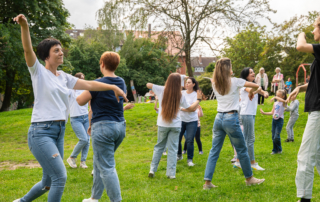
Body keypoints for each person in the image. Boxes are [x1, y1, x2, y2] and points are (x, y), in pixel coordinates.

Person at [13, 14, 127, 202]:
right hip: (40, 132)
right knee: (60, 177)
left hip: (58, 131)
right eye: (56, 50)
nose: (61, 52)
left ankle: (22, 201)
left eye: (61, 50)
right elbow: (27, 50)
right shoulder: (38, 72)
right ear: (46, 56)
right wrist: (24, 26)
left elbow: (90, 85)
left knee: (48, 181)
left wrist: (112, 86)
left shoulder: (64, 77)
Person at [203, 58, 265, 190]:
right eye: (231, 67)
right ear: (227, 69)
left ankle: (207, 183)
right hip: (231, 118)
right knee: (242, 150)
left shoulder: (215, 83)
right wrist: (255, 89)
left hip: (218, 118)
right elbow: (254, 85)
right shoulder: (236, 81)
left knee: (214, 151)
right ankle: (250, 179)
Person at [77, 51, 128, 202]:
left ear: (102, 64)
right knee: (99, 162)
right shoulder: (121, 82)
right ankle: (94, 198)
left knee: (106, 167)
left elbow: (80, 100)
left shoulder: (98, 83)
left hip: (104, 128)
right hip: (119, 127)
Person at [287, 15, 320, 202]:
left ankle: (304, 198)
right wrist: (300, 87)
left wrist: (300, 33)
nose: (312, 31)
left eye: (314, 28)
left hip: (319, 111)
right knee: (318, 155)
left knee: (306, 155)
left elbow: (300, 46)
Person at [147, 73, 202, 179]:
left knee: (159, 147)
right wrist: (198, 100)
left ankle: (152, 170)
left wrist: (180, 76)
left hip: (163, 124)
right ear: (178, 83)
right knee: (172, 149)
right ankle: (171, 174)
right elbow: (190, 108)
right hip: (176, 125)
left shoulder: (161, 89)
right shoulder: (180, 95)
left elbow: (148, 84)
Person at [233, 67, 269, 171]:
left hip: (251, 113)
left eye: (253, 71)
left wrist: (265, 93)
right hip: (246, 113)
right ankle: (252, 162)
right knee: (250, 139)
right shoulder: (244, 84)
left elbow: (262, 92)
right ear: (246, 76)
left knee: (245, 139)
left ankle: (238, 161)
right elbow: (252, 91)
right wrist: (259, 90)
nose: (253, 73)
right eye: (250, 72)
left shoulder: (254, 84)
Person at [67, 73, 90, 169]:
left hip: (85, 117)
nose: (83, 81)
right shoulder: (71, 91)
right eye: (81, 79)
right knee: (83, 139)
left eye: (84, 79)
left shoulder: (86, 91)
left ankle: (83, 162)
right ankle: (72, 157)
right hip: (75, 118)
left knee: (87, 140)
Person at [177, 78, 201, 166]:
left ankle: (189, 160)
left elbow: (193, 109)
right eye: (186, 82)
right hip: (180, 120)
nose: (187, 84)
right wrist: (187, 109)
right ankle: (179, 155)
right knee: (177, 139)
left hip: (192, 121)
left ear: (193, 84)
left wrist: (181, 109)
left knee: (190, 140)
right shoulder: (181, 93)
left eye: (189, 82)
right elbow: (178, 105)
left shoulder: (196, 95)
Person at [260, 89, 287, 155]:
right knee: (273, 137)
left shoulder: (284, 103)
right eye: (276, 95)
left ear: (283, 96)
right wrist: (264, 113)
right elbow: (272, 112)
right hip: (274, 120)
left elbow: (284, 101)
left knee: (276, 137)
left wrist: (275, 97)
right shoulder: (275, 103)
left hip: (279, 121)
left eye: (278, 96)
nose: (277, 96)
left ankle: (279, 149)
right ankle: (275, 150)